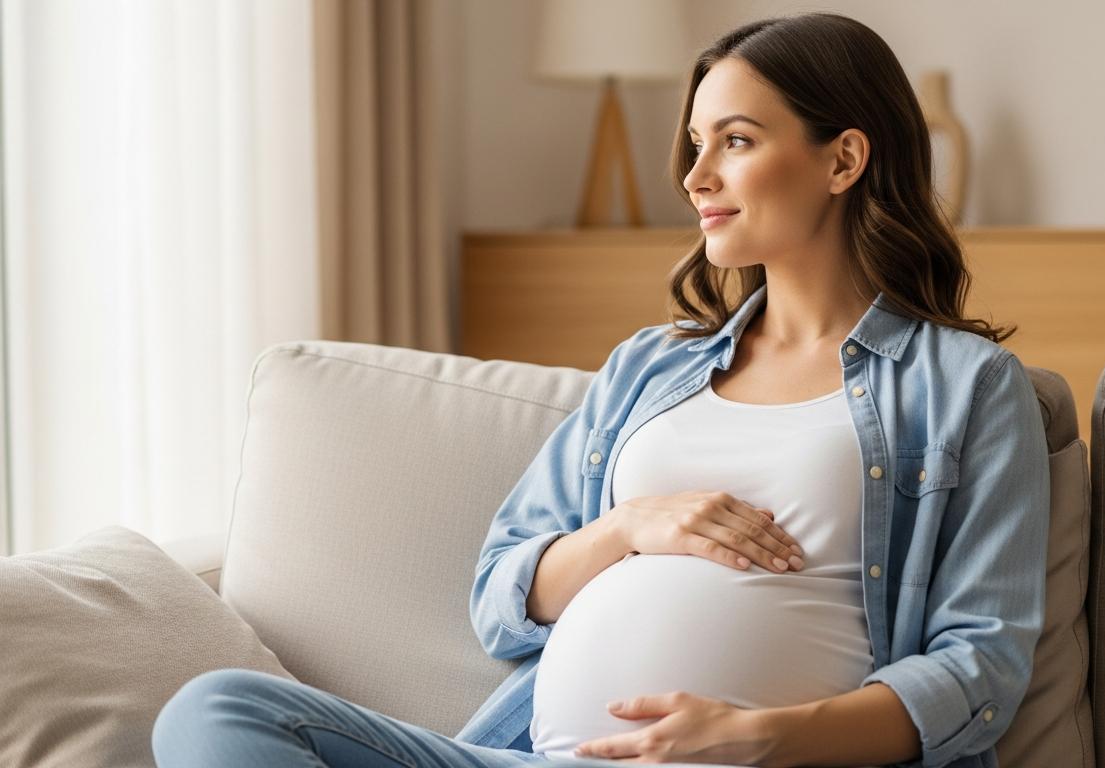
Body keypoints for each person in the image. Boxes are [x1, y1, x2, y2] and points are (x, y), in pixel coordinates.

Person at [151, 11, 1049, 768]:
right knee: (219, 712)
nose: (696, 179)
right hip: (537, 756)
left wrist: (759, 738)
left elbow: (981, 668)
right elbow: (504, 596)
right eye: (697, 145)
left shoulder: (963, 387)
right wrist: (628, 528)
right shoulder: (649, 369)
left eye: (736, 141)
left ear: (843, 158)